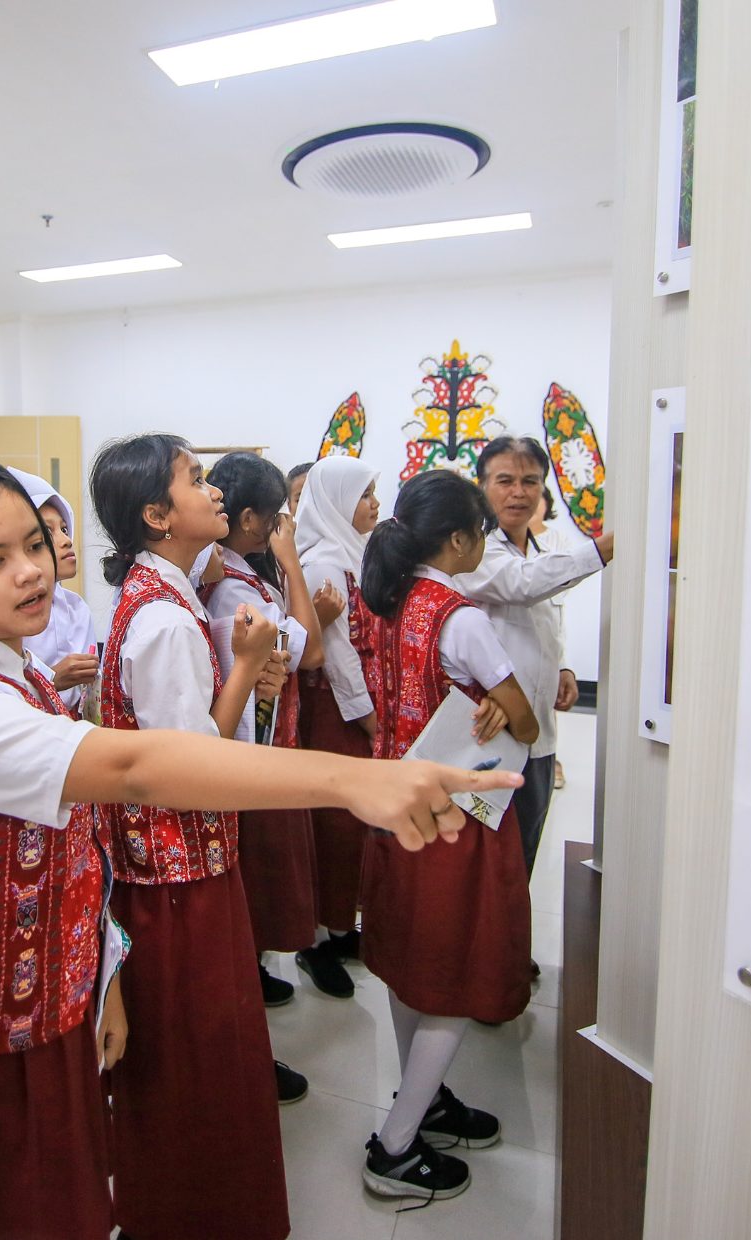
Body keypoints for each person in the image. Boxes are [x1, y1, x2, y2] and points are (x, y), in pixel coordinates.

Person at [0, 450, 524, 1240]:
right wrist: (353, 779)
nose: (31, 571)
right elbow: (143, 768)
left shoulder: (18, 670)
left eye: (35, 545)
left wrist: (103, 977)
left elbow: (78, 843)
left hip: (46, 998)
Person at [357, 468, 540, 1203]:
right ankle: (396, 1146)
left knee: (411, 962)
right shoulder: (458, 616)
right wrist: (499, 707)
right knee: (455, 972)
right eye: (482, 534)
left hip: (394, 803)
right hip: (453, 820)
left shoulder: (388, 599)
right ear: (460, 540)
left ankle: (424, 1098)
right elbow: (525, 722)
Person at [200, 454, 340, 1017]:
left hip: (262, 735)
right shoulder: (236, 589)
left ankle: (253, 966)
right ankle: (248, 970)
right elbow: (313, 652)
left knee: (263, 867)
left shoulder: (237, 576)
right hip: (254, 745)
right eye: (278, 514)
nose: (286, 523)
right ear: (251, 520)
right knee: (261, 869)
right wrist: (292, 563)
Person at [456, 437, 613, 885]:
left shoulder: (540, 552)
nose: (519, 493)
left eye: (530, 481)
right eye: (505, 481)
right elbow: (522, 584)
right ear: (482, 486)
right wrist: (603, 549)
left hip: (540, 731)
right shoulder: (477, 550)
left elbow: (546, 616)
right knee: (489, 858)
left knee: (526, 848)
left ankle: (510, 929)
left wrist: (562, 665)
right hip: (492, 730)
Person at [291, 454, 382, 996]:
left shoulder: (354, 551)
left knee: (353, 822)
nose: (375, 503)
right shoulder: (324, 563)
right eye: (364, 494)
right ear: (338, 501)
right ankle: (316, 941)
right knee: (333, 824)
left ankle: (341, 926)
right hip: (335, 710)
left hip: (355, 705)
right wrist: (370, 720)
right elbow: (339, 657)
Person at [9, 466, 99, 713]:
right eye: (47, 533)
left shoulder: (77, 608)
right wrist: (51, 680)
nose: (66, 541)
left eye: (64, 529)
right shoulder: (9, 612)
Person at [529, 484, 575, 788]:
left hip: (549, 620)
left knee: (547, 697)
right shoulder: (494, 540)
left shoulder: (557, 539)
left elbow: (564, 577)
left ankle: (551, 757)